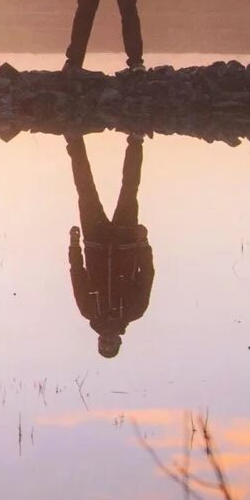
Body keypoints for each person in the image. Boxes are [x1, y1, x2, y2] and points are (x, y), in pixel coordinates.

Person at [67, 131, 153, 358]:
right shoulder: (135, 311)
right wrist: (143, 243)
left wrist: (74, 245)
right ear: (118, 342)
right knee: (129, 189)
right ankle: (136, 139)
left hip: (94, 241)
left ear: (98, 342)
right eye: (110, 345)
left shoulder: (88, 311)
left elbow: (77, 273)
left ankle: (74, 138)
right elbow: (147, 274)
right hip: (126, 242)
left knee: (85, 191)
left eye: (102, 345)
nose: (106, 340)